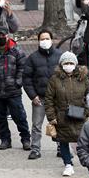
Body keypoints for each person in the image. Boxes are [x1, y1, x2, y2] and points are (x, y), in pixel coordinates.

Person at [0, 27, 30, 151]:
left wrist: (18, 82)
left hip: (13, 90)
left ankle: (25, 139)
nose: (1, 37)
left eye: (3, 35)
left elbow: (23, 67)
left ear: (8, 36)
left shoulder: (16, 50)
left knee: (19, 116)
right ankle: (5, 140)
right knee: (0, 117)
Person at [45, 52, 89, 176]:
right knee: (63, 141)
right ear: (61, 64)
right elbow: (49, 99)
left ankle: (88, 162)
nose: (68, 65)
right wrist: (51, 116)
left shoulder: (83, 78)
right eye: (66, 63)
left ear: (75, 64)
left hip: (79, 115)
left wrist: (86, 112)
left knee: (84, 141)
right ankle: (68, 164)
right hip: (62, 116)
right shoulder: (54, 80)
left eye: (71, 63)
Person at [23, 30, 62, 160]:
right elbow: (27, 79)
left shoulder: (60, 56)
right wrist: (33, 96)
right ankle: (35, 149)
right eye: (42, 39)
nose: (45, 41)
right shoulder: (32, 58)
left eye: (47, 38)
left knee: (58, 123)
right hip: (40, 97)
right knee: (36, 125)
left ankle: (61, 147)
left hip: (57, 97)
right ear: (38, 41)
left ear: (51, 39)